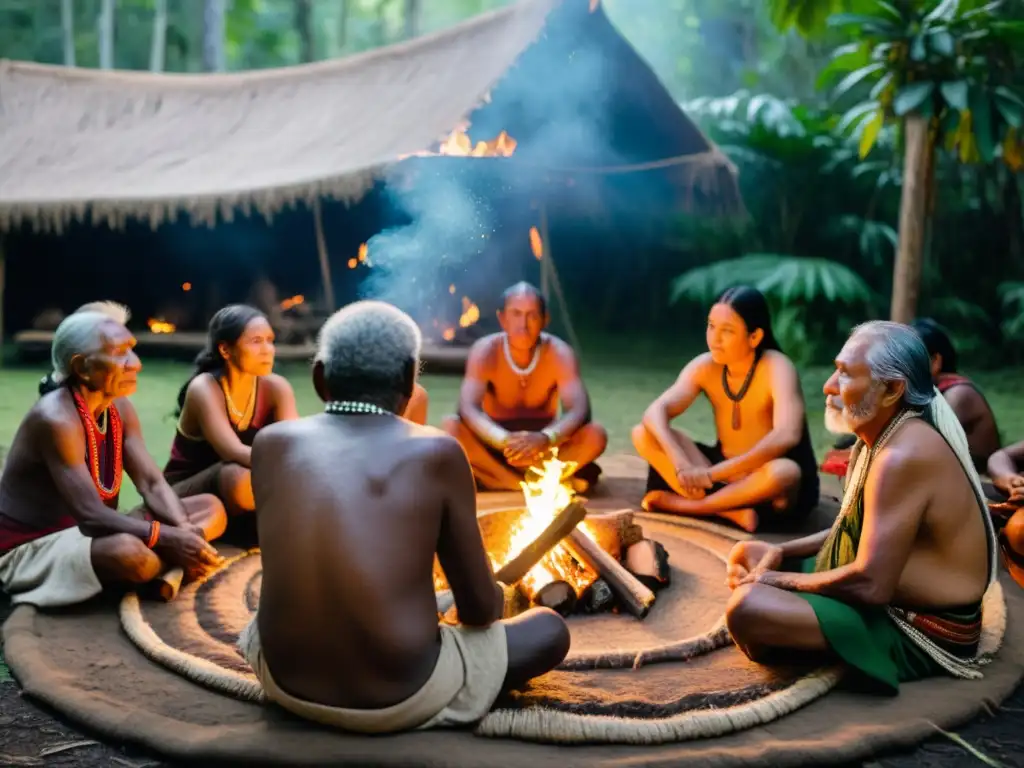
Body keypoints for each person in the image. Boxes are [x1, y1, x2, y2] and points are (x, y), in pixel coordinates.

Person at [239, 300, 570, 734]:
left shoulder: (271, 443)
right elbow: (479, 610)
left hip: (283, 678)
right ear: (411, 380)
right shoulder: (437, 451)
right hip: (399, 694)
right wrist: (495, 595)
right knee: (548, 630)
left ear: (320, 377)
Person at [723, 321, 997, 693]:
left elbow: (870, 585)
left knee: (748, 609)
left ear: (893, 389)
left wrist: (774, 579)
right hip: (887, 590)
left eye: (846, 374)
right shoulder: (880, 435)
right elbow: (855, 529)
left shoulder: (902, 456)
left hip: (919, 627)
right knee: (757, 555)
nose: (829, 386)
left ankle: (835, 644)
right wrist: (779, 551)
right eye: (837, 369)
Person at [0, 306, 227, 608]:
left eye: (132, 351)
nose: (135, 364)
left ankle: (169, 568)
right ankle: (165, 568)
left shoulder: (118, 407)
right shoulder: (55, 418)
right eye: (119, 354)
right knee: (130, 556)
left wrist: (183, 529)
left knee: (211, 507)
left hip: (94, 531)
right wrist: (167, 538)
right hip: (35, 545)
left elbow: (150, 482)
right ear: (81, 367)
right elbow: (91, 515)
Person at [632, 286, 820, 533]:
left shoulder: (777, 367)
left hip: (762, 483)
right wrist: (680, 462)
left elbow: (787, 434)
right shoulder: (704, 366)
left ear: (754, 337)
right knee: (642, 433)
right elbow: (655, 412)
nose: (714, 338)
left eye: (727, 331)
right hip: (719, 476)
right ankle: (731, 511)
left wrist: (711, 474)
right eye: (711, 326)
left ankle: (689, 506)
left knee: (785, 472)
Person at [441, 282, 607, 492]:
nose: (523, 324)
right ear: (502, 319)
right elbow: (467, 409)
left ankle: (499, 481)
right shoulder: (485, 351)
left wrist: (545, 438)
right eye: (516, 314)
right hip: (494, 447)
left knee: (596, 435)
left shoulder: (559, 353)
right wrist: (503, 440)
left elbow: (580, 411)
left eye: (532, 315)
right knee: (450, 428)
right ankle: (523, 483)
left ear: (545, 320)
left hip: (543, 449)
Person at [164, 305, 299, 519]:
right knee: (237, 476)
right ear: (225, 350)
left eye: (270, 340)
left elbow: (292, 448)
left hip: (246, 487)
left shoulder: (277, 388)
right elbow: (233, 452)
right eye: (256, 341)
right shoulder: (204, 388)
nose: (267, 350)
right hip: (189, 495)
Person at [822, 318, 1001, 479]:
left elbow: (914, 444)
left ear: (934, 362)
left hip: (983, 481)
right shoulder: (926, 392)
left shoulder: (959, 394)